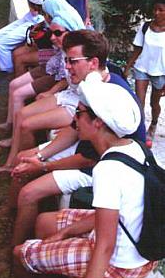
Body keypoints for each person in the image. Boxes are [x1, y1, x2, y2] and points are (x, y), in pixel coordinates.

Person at [14, 78, 156, 278]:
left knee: (21, 253)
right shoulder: (132, 148)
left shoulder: (108, 170)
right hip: (136, 244)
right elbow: (118, 214)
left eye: (78, 114)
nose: (73, 120)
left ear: (98, 122)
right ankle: (47, 273)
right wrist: (67, 232)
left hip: (120, 265)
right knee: (45, 222)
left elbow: (105, 245)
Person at [10, 31, 146, 245]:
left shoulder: (109, 95)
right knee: (23, 158)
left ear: (93, 63)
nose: (66, 66)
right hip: (89, 150)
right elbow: (75, 127)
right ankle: (11, 217)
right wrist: (40, 154)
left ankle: (15, 249)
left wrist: (42, 166)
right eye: (66, 60)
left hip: (103, 163)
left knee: (29, 193)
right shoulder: (93, 85)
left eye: (72, 61)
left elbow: (88, 159)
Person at [0, 0, 84, 173]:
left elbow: (66, 77)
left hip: (74, 99)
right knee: (22, 109)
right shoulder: (63, 43)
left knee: (25, 117)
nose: (53, 36)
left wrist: (50, 92)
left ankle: (17, 164)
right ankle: (10, 159)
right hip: (62, 85)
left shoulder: (78, 53)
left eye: (57, 34)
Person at [124, 1, 165, 142]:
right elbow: (138, 48)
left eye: (161, 10)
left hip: (160, 72)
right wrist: (128, 67)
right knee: (138, 101)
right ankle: (138, 131)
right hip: (142, 67)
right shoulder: (146, 26)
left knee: (154, 103)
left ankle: (153, 124)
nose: (156, 13)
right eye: (155, 9)